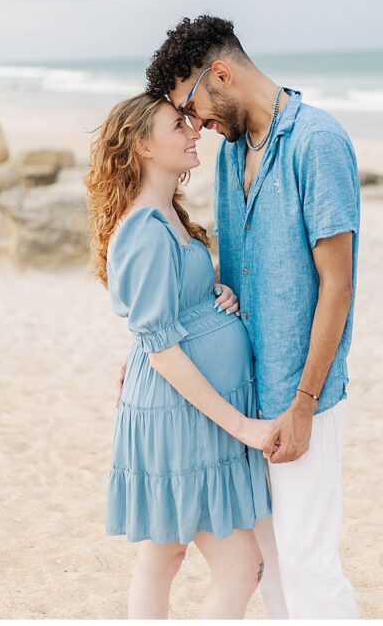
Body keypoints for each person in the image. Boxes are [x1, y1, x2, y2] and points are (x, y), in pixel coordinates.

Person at [144, 15, 359, 618]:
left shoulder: (317, 141)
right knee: (274, 569)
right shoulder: (230, 156)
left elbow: (337, 287)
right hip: (244, 398)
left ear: (221, 74)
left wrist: (305, 403)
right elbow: (229, 279)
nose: (198, 127)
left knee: (310, 561)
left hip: (300, 393)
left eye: (195, 108)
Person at [87, 93, 275, 618]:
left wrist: (216, 298)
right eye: (179, 125)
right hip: (180, 412)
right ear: (143, 146)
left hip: (186, 409)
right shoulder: (144, 229)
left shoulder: (167, 213)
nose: (195, 132)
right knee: (242, 567)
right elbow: (162, 348)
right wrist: (242, 426)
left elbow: (169, 310)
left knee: (163, 554)